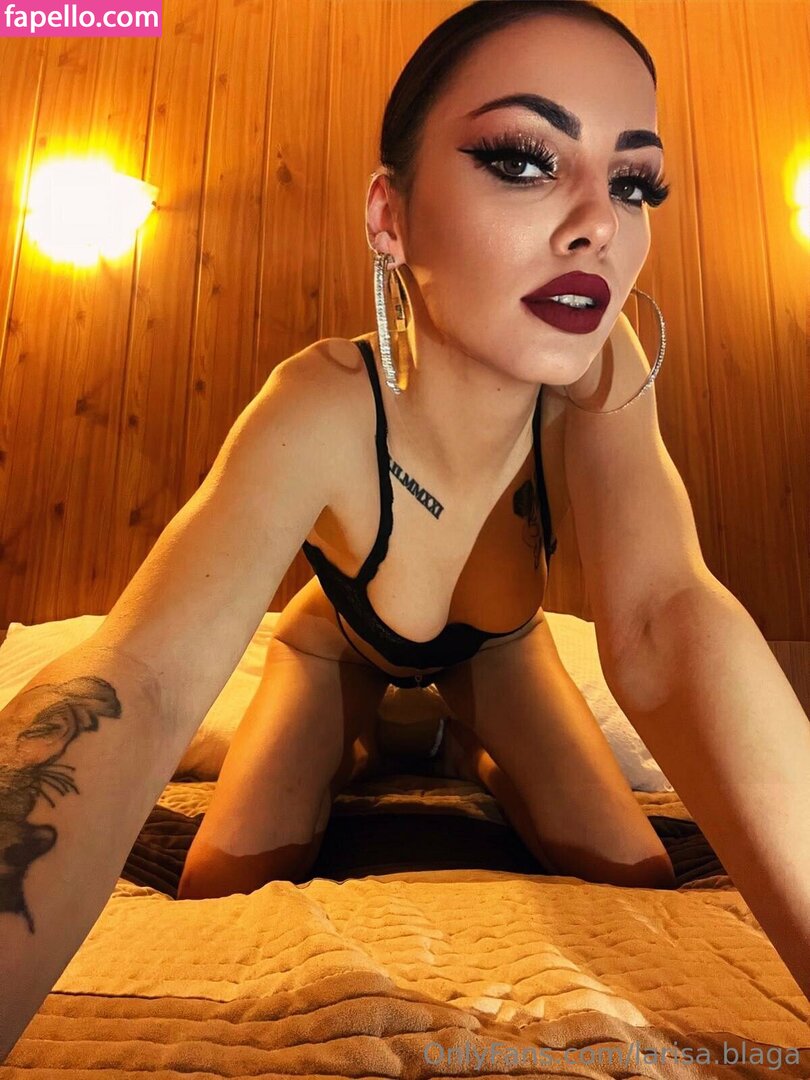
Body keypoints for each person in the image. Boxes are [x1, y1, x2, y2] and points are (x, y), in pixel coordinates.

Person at [170, 2, 810, 1000]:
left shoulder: (600, 374)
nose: (601, 224)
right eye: (521, 159)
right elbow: (148, 671)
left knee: (638, 873)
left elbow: (666, 607)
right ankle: (361, 746)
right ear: (389, 217)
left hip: (498, 653)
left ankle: (471, 747)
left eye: (634, 183)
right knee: (221, 885)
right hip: (336, 650)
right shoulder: (323, 402)